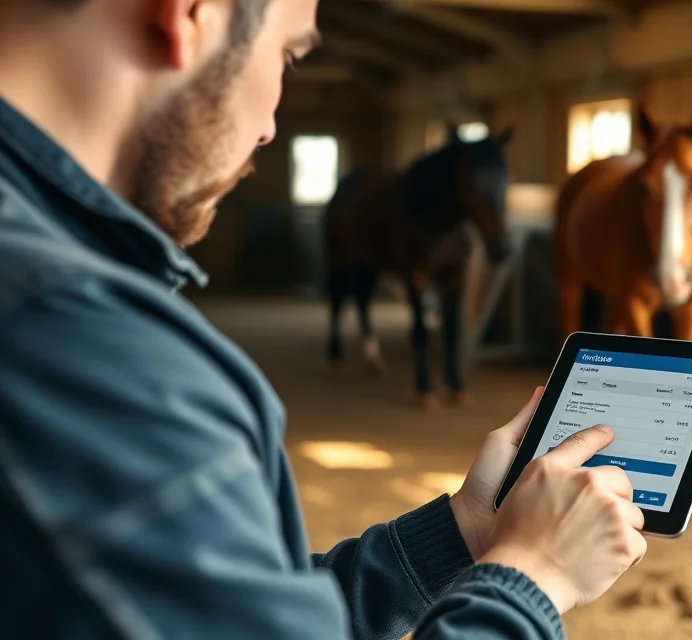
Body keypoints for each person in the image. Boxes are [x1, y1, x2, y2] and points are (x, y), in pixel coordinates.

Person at [0, 1, 647, 638]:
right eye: (286, 55)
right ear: (189, 15)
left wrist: (463, 533)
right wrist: (536, 575)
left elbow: (241, 612)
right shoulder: (84, 344)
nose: (269, 128)